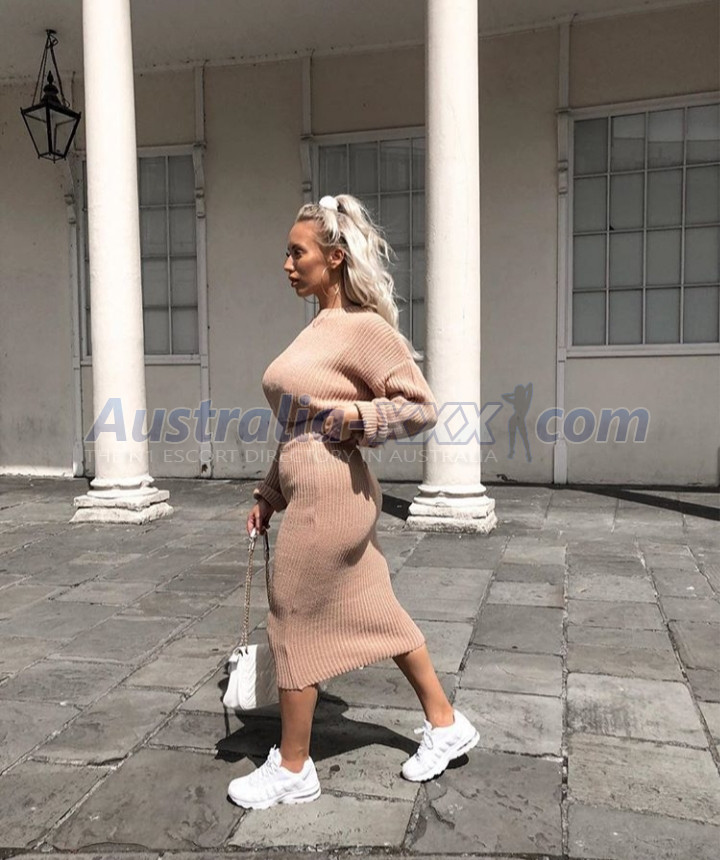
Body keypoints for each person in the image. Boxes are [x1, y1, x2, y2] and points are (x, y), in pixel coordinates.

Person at [227, 193, 480, 810]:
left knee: (292, 614)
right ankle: (446, 723)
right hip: (311, 487)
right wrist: (269, 493)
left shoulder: (364, 328)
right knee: (377, 608)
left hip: (334, 494)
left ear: (334, 257)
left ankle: (293, 767)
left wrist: (359, 418)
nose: (287, 264)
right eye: (287, 253)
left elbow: (421, 407)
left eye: (298, 253)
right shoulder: (317, 329)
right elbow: (296, 426)